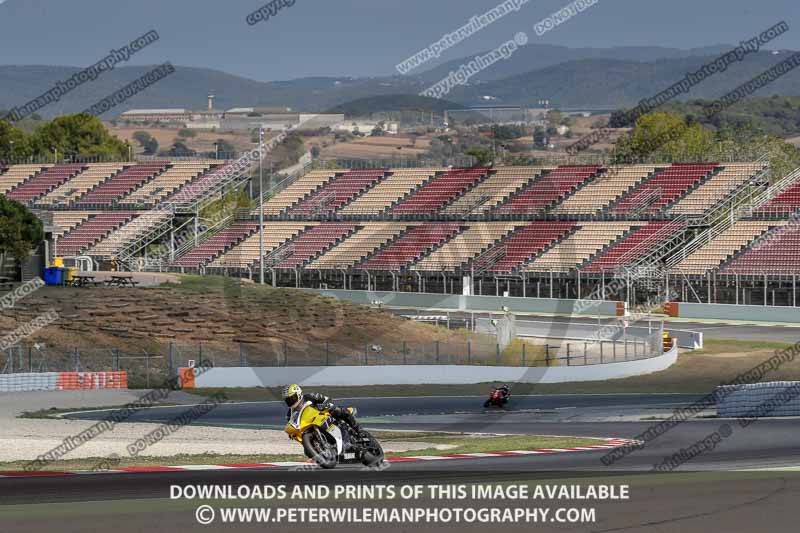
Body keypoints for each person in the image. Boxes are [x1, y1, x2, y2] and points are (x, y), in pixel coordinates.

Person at [282, 383, 362, 434]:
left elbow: (327, 399)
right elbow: (292, 425)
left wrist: (325, 405)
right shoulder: (290, 414)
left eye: (292, 398)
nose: (291, 401)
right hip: (310, 424)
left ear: (299, 394)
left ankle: (358, 429)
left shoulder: (311, 396)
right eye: (288, 400)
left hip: (324, 415)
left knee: (337, 410)